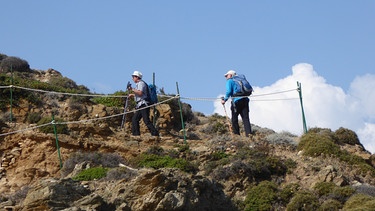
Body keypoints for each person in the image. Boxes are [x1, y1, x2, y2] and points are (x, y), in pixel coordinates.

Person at [221, 70, 252, 137]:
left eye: (227, 75)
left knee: (234, 119)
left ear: (231, 75)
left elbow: (229, 91)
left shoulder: (230, 81)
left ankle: (236, 135)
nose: (226, 77)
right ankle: (249, 135)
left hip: (236, 101)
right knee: (246, 119)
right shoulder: (240, 80)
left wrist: (225, 100)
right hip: (245, 100)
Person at [128, 70, 159, 137]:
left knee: (146, 120)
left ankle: (155, 133)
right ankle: (136, 134)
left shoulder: (141, 83)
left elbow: (140, 93)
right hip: (141, 104)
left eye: (133, 77)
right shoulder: (139, 84)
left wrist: (132, 89)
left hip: (144, 104)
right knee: (135, 119)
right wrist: (133, 95)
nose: (132, 78)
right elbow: (141, 94)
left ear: (137, 77)